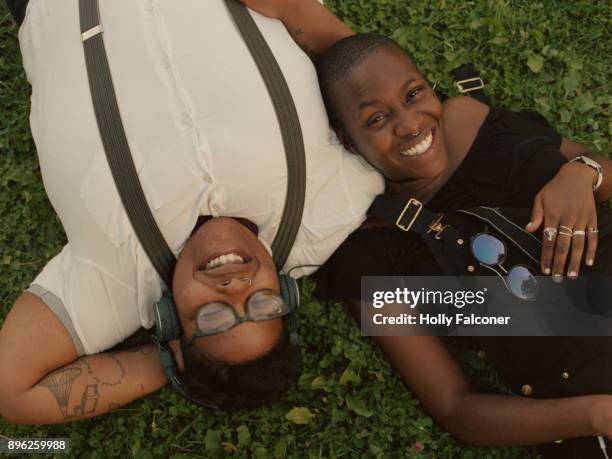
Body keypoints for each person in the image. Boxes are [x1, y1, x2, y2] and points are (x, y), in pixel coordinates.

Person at [241, 2, 612, 458]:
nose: (410, 124)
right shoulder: (373, 254)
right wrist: (597, 415)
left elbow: (601, 164)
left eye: (414, 94)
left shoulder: (471, 120)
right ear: (344, 139)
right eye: (376, 119)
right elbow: (455, 408)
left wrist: (581, 174)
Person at [0, 0, 383, 424]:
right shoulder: (325, 210)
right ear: (285, 293)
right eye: (263, 305)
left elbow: (14, 392)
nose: (236, 286)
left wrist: (170, 364)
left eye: (213, 316)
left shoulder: (114, 281)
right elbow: (399, 110)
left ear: (170, 324)